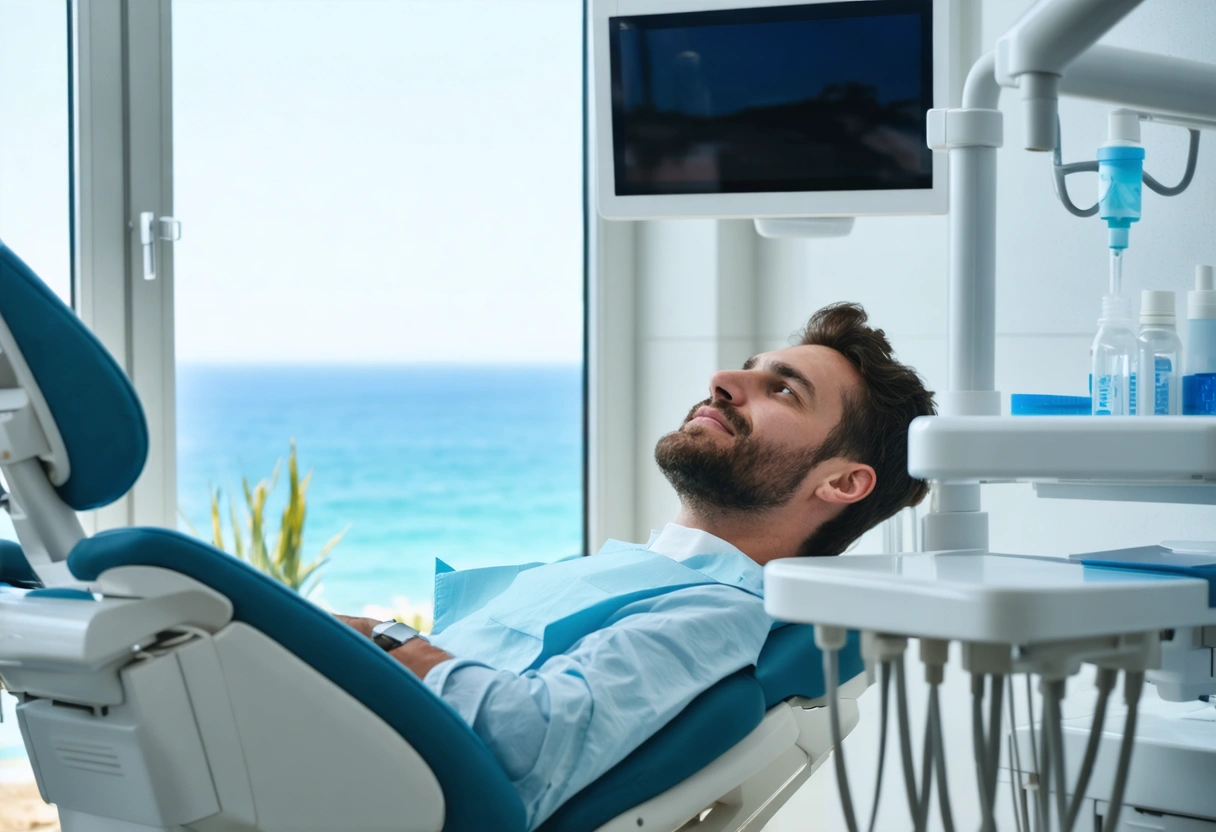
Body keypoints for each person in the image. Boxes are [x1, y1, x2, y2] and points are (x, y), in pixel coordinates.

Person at [336, 302, 935, 829]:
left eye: (784, 390)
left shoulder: (712, 611)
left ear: (842, 482)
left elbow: (527, 740)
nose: (722, 380)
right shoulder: (639, 577)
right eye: (747, 368)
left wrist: (383, 636)